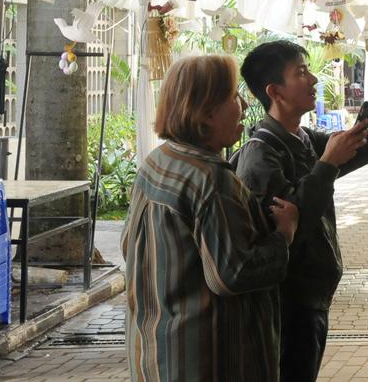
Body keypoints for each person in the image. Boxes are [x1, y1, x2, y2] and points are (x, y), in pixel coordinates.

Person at [236, 40, 368, 382]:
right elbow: (287, 234)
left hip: (314, 298)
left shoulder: (303, 139)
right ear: (275, 91)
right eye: (301, 73)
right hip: (287, 306)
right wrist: (326, 165)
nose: (313, 80)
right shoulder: (261, 158)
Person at [123, 55, 299, 382]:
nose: (244, 105)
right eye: (233, 96)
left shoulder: (158, 162)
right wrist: (283, 235)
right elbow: (233, 274)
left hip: (157, 353)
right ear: (205, 112)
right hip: (206, 361)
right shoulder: (210, 180)